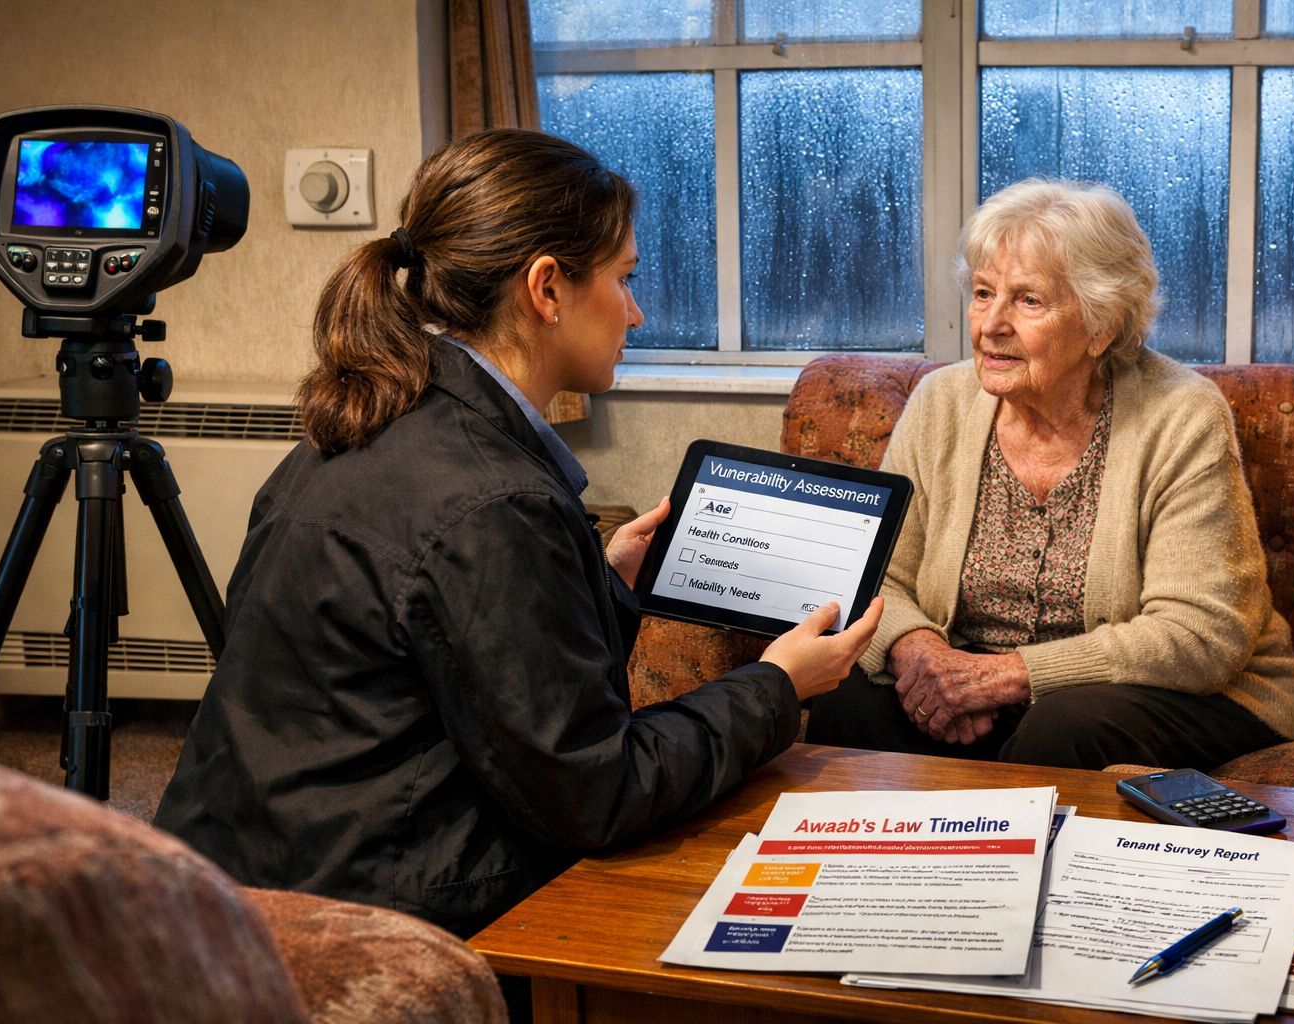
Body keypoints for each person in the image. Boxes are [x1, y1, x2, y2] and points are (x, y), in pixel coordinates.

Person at [154, 130, 881, 1016]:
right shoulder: (494, 502)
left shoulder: (367, 418)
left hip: (235, 876)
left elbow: (443, 656)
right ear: (546, 289)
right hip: (376, 920)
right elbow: (600, 792)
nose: (636, 311)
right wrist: (777, 685)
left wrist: (592, 572)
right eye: (624, 277)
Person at [805, 178, 1294, 769]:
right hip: (972, 677)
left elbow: (1201, 633)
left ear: (1102, 326)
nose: (991, 324)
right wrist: (919, 655)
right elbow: (877, 576)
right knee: (845, 701)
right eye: (984, 293)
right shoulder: (941, 402)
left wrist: (1007, 676)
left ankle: (1002, 859)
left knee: (1062, 729)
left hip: (1173, 693)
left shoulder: (1180, 414)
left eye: (1028, 301)